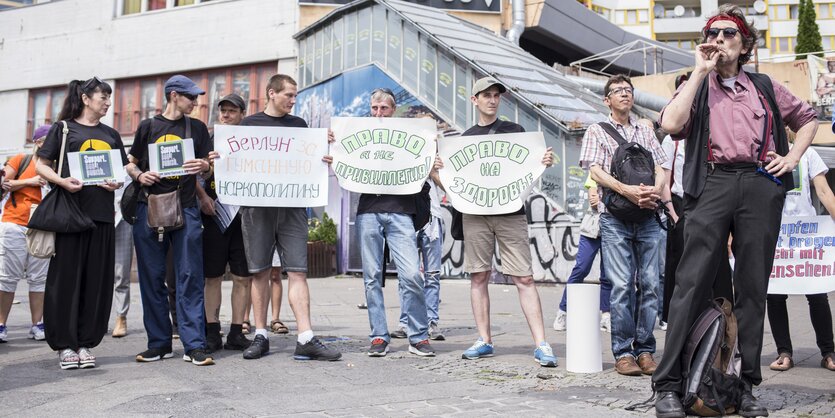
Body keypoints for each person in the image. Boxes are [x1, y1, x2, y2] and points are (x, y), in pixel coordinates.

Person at [652, 6, 819, 417]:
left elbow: (808, 117)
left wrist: (793, 156)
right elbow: (671, 123)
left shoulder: (762, 85)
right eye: (712, 32)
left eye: (729, 33)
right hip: (711, 183)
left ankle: (745, 386)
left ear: (744, 44)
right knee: (690, 282)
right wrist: (698, 71)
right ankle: (668, 385)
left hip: (760, 184)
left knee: (752, 288)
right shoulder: (699, 85)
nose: (719, 37)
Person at [442, 77, 557, 367]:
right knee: (478, 276)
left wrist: (542, 162)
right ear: (474, 100)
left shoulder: (515, 132)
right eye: (486, 95)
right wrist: (437, 173)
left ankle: (542, 343)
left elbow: (527, 170)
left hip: (510, 213)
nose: (492, 100)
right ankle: (484, 339)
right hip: (475, 215)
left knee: (524, 277)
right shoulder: (463, 139)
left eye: (496, 96)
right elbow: (454, 186)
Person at [237, 74, 340, 361]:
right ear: (271, 93)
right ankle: (260, 334)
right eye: (289, 95)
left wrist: (323, 151)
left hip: (293, 206)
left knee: (297, 270)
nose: (294, 101)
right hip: (258, 207)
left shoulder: (300, 126)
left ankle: (305, 336)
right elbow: (238, 161)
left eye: (295, 96)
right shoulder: (250, 125)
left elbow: (308, 161)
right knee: (259, 271)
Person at [329, 88, 437, 357]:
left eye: (384, 108)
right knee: (371, 278)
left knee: (412, 274)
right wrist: (333, 143)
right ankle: (379, 335)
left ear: (394, 110)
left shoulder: (409, 134)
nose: (378, 113)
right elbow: (342, 159)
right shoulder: (359, 134)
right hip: (369, 211)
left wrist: (430, 152)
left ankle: (418, 334)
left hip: (401, 211)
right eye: (374, 108)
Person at [36, 77, 128, 370]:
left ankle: (87, 342)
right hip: (70, 216)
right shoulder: (63, 128)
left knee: (96, 282)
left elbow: (120, 171)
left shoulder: (111, 134)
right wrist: (62, 181)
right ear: (86, 98)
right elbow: (40, 163)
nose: (108, 103)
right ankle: (64, 345)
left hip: (102, 216)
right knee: (65, 281)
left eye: (109, 98)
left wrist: (116, 182)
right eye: (103, 97)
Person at [580, 74, 667, 377]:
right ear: (607, 100)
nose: (624, 95)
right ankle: (623, 352)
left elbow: (661, 166)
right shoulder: (596, 130)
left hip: (648, 216)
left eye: (628, 91)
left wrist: (655, 192)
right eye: (617, 91)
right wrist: (627, 190)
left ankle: (645, 350)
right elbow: (594, 169)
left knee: (651, 285)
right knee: (620, 287)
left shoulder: (644, 131)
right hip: (614, 217)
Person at [127, 75, 215, 366]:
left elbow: (207, 165)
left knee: (190, 275)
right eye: (191, 97)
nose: (196, 102)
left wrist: (204, 165)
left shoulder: (197, 128)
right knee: (151, 277)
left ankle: (194, 345)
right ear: (173, 95)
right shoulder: (148, 126)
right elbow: (131, 161)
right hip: (148, 206)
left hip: (186, 206)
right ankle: (159, 343)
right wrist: (140, 175)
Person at [766, 143, 835, 373]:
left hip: (806, 234)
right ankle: (784, 352)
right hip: (774, 232)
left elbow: (823, 191)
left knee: (817, 294)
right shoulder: (761, 153)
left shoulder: (807, 153)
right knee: (775, 296)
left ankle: (828, 352)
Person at [198, 93, 254, 352]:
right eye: (223, 111)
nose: (226, 115)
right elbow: (195, 175)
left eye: (232, 111)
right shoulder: (207, 141)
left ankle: (236, 331)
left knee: (243, 277)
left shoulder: (253, 141)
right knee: (213, 276)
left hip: (244, 217)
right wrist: (202, 195)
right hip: (214, 214)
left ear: (242, 114)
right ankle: (211, 331)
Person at [0, 125, 51, 344]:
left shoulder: (54, 166)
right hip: (14, 224)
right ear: (38, 142)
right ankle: (1, 325)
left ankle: (37, 324)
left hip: (43, 227)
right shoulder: (21, 159)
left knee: (39, 280)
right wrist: (29, 182)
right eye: (49, 140)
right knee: (7, 279)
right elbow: (4, 184)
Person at [553, 174, 612, 333]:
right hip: (593, 225)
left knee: (608, 274)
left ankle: (606, 315)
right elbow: (593, 197)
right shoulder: (597, 167)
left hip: (614, 226)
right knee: (581, 268)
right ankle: (563, 311)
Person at [111, 178, 133, 338]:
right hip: (96, 214)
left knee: (121, 272)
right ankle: (97, 317)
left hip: (122, 217)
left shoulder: (128, 159)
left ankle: (121, 316)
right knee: (95, 275)